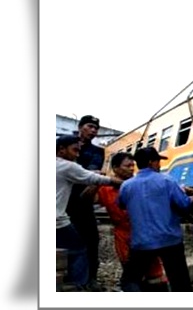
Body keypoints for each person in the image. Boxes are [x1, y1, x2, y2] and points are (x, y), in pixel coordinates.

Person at [118, 147, 193, 292]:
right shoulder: (168, 181)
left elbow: (121, 204)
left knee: (131, 280)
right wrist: (191, 198)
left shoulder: (126, 186)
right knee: (180, 282)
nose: (159, 165)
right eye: (158, 161)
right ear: (151, 162)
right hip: (170, 240)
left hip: (141, 241)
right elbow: (184, 206)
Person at [95, 152, 169, 291]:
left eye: (132, 165)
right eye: (127, 166)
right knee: (133, 276)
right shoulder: (105, 189)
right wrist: (98, 179)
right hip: (124, 237)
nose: (131, 169)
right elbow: (86, 199)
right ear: (115, 168)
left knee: (155, 277)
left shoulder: (138, 184)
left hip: (145, 235)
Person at [56, 135, 121, 290]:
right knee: (79, 249)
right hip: (57, 220)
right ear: (61, 150)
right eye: (74, 150)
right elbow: (95, 179)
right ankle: (78, 286)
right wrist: (124, 182)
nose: (77, 155)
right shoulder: (67, 166)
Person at [65, 115, 105, 290]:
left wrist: (84, 176)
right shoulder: (64, 144)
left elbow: (92, 175)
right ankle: (65, 275)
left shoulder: (97, 151)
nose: (94, 131)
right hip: (61, 200)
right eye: (90, 126)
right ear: (80, 127)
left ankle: (90, 278)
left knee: (91, 238)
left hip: (83, 201)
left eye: (96, 128)